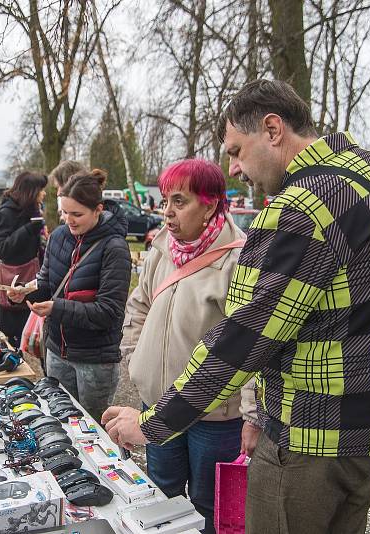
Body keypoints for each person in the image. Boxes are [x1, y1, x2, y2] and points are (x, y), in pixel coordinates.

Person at [103, 79, 370, 534]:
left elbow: (240, 342)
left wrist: (151, 425)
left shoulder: (299, 211)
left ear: (272, 129)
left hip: (308, 439)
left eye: (236, 150)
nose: (233, 168)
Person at [121, 159, 258, 533]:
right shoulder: (161, 248)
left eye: (179, 202)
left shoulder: (238, 260)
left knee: (207, 505)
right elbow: (138, 306)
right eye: (165, 201)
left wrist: (250, 414)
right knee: (162, 494)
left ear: (210, 204)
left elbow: (249, 345)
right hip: (159, 405)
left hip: (213, 417)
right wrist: (135, 359)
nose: (167, 212)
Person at [9, 169, 131, 421]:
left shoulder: (114, 248)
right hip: (56, 351)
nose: (69, 220)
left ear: (98, 209)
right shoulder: (58, 237)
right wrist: (25, 291)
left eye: (77, 214)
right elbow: (47, 282)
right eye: (64, 212)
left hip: (95, 361)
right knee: (58, 421)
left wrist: (56, 309)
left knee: (93, 429)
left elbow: (108, 312)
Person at [0, 172, 49, 347]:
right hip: (15, 284)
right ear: (31, 192)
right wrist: (28, 229)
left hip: (34, 283)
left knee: (37, 337)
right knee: (13, 344)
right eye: (41, 189)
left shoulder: (33, 210)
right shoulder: (6, 213)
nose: (44, 193)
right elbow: (0, 249)